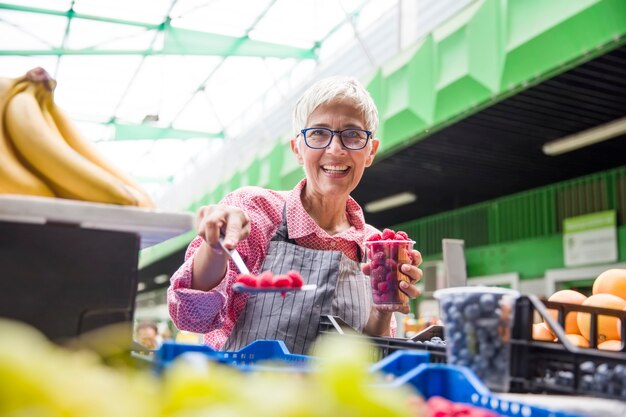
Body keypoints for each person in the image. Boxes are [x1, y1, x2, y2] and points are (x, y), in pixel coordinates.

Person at [167, 76, 423, 354]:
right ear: (297, 149)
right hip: (242, 394)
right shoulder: (254, 211)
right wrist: (214, 248)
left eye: (352, 134)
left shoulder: (373, 245)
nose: (335, 150)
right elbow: (192, 318)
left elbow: (368, 357)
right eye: (318, 134)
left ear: (370, 151)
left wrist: (383, 309)